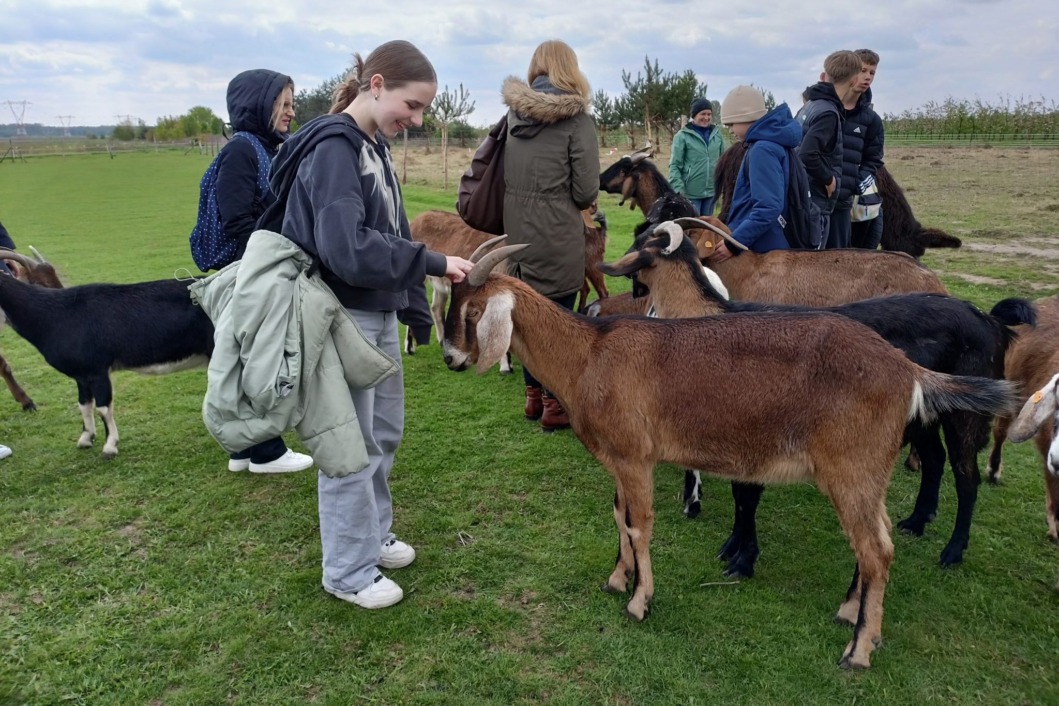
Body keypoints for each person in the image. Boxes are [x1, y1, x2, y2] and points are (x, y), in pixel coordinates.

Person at [264, 40, 475, 609]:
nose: (418, 120)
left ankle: (371, 535)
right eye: (413, 105)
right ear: (376, 84)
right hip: (344, 315)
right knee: (348, 445)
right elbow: (347, 248)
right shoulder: (335, 149)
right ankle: (348, 571)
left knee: (382, 435)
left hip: (376, 313)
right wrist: (429, 262)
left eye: (424, 110)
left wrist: (406, 299)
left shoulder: (372, 145)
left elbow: (388, 231)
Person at [211, 69, 313, 475]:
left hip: (259, 265)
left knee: (245, 356)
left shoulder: (268, 146)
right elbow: (236, 220)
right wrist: (272, 255)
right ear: (258, 106)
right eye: (283, 104)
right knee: (260, 358)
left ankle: (242, 450)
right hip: (249, 269)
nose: (291, 112)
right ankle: (266, 451)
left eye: (291, 103)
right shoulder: (243, 149)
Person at [500, 39, 599, 431]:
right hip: (557, 232)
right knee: (559, 320)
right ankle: (555, 405)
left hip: (517, 232)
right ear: (569, 69)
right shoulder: (577, 122)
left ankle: (532, 397)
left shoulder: (512, 117)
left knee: (526, 317)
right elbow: (585, 192)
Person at [709, 86, 804, 264]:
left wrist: (734, 243)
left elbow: (768, 207)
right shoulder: (771, 143)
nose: (729, 130)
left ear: (747, 117)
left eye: (732, 124)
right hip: (767, 241)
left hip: (762, 249)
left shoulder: (762, 149)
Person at [795, 50, 862, 248]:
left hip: (803, 193)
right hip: (816, 200)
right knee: (813, 264)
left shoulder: (809, 106)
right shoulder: (828, 113)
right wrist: (828, 178)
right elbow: (807, 154)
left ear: (825, 75)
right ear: (854, 79)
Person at [848, 49, 886, 250]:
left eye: (872, 73)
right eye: (863, 70)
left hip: (859, 200)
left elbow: (874, 159)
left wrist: (854, 183)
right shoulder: (824, 111)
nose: (868, 77)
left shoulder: (872, 120)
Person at [669, 97, 726, 216]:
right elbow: (674, 166)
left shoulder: (717, 135)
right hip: (690, 194)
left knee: (707, 230)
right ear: (694, 115)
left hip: (712, 192)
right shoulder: (682, 136)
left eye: (709, 114)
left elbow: (725, 161)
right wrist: (679, 190)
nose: (706, 117)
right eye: (703, 114)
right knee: (693, 229)